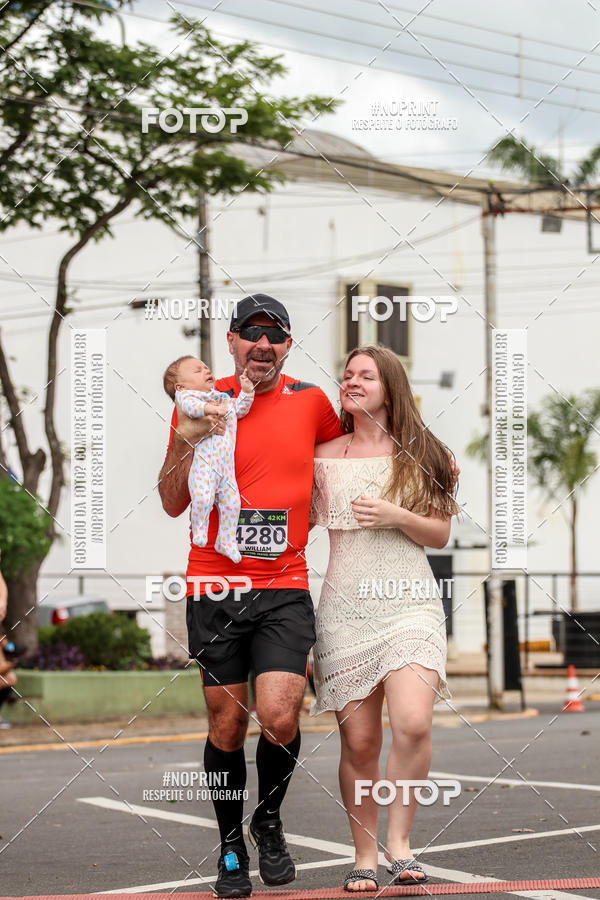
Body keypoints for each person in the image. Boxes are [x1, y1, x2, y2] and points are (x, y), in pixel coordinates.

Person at [159, 294, 342, 898]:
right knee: (227, 723)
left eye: (276, 337)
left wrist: (421, 454)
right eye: (251, 335)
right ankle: (230, 844)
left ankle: (267, 818)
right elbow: (169, 499)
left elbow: (353, 456)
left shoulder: (312, 403)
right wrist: (187, 438)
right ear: (233, 341)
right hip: (215, 582)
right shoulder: (203, 403)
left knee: (283, 714)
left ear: (288, 345)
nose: (263, 346)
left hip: (285, 583)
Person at [309, 345, 459, 892]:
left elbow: (440, 534)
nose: (351, 381)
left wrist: (397, 515)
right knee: (361, 743)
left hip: (410, 601)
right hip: (344, 609)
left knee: (414, 722)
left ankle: (401, 845)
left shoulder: (424, 453)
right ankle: (364, 856)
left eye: (365, 375)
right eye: (347, 374)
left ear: (389, 387)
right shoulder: (322, 455)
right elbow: (287, 515)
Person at [163, 356, 255, 562]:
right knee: (203, 499)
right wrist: (211, 409)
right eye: (197, 371)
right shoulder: (187, 397)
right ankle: (200, 529)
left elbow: (239, 409)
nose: (206, 371)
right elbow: (192, 408)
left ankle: (226, 540)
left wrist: (247, 392)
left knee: (233, 504)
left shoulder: (221, 398)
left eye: (206, 368)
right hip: (204, 467)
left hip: (226, 469)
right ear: (180, 386)